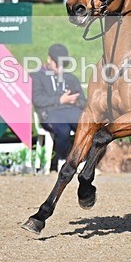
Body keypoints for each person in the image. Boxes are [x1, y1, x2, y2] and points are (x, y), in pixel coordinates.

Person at [31, 44, 86, 172]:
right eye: (57, 64)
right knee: (63, 130)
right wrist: (60, 100)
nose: (61, 68)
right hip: (50, 113)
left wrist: (75, 101)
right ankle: (63, 159)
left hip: (70, 110)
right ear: (49, 60)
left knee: (86, 125)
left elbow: (83, 101)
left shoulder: (70, 78)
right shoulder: (37, 76)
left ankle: (82, 159)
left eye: (63, 64)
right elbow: (37, 100)